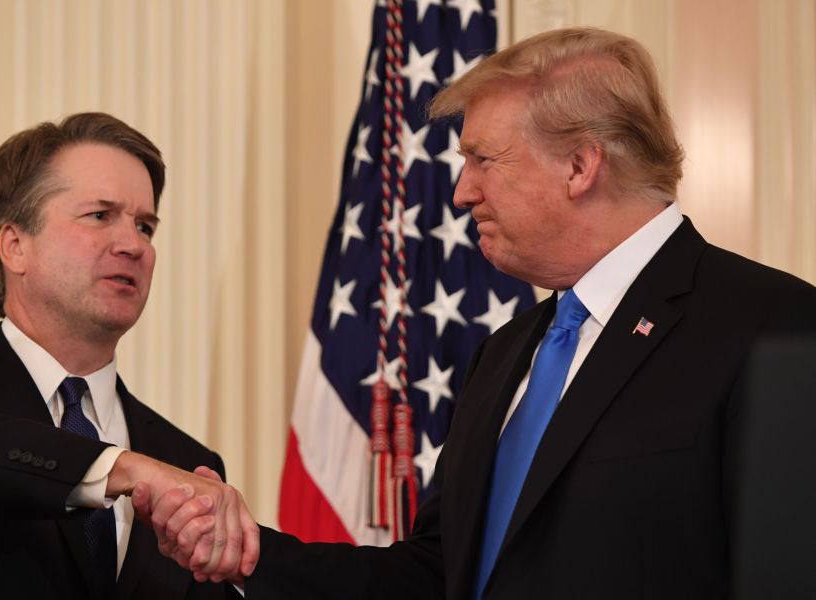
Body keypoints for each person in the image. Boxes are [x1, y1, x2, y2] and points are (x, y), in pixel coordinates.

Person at [146, 27, 816, 599]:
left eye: (481, 160)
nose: (462, 193)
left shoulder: (773, 326)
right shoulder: (506, 353)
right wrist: (248, 554)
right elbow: (436, 576)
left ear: (580, 165)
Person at [0, 113, 258, 599]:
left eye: (145, 226)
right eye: (100, 215)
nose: (133, 245)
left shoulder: (189, 463)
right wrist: (123, 470)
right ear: (15, 246)